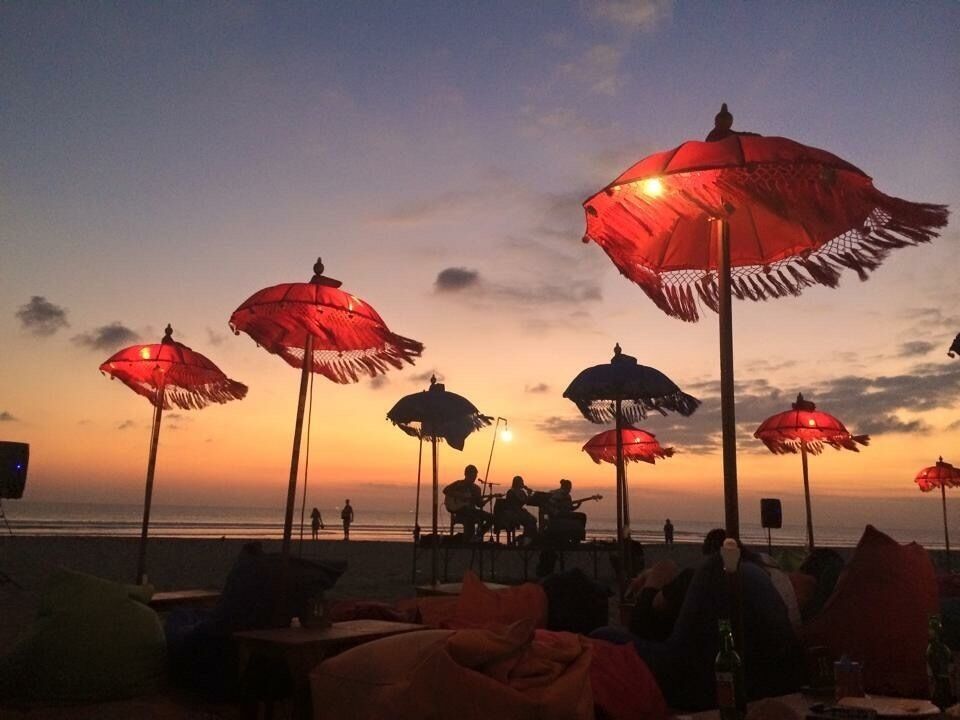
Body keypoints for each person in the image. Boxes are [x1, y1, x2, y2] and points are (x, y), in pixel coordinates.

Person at [442, 464, 494, 540]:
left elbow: (479, 504)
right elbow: (445, 490)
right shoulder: (458, 484)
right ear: (466, 474)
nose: (474, 478)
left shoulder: (476, 489)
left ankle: (477, 536)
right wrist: (460, 495)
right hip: (459, 511)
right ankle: (468, 540)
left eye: (475, 476)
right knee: (470, 517)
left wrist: (489, 498)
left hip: (471, 511)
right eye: (472, 475)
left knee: (491, 517)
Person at [496, 475, 537, 542]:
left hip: (519, 511)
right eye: (521, 482)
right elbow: (519, 502)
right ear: (517, 483)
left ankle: (528, 537)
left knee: (533, 520)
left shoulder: (522, 492)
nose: (523, 483)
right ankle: (524, 538)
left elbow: (526, 501)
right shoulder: (511, 491)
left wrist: (529, 494)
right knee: (529, 521)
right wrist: (528, 495)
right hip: (512, 512)